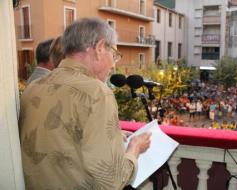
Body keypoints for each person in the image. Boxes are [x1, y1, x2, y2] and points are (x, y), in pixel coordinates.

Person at [19, 18, 151, 189]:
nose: (113, 65)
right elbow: (111, 180)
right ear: (99, 48)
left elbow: (61, 140)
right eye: (114, 55)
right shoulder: (97, 92)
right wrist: (135, 149)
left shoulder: (34, 87)